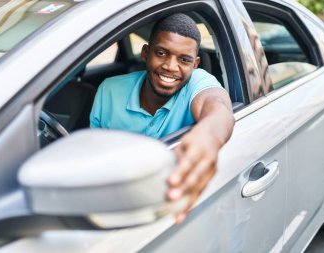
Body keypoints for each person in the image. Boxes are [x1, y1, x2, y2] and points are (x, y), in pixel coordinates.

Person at [90, 13, 234, 223]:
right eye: (161, 53)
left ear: (195, 65)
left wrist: (208, 138)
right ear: (146, 53)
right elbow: (95, 156)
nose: (170, 66)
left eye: (184, 60)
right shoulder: (109, 90)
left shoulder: (198, 82)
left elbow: (218, 107)